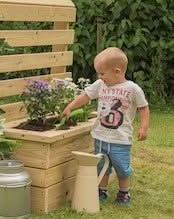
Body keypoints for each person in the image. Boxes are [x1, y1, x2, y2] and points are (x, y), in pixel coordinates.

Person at [62, 47, 150, 205]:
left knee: (122, 168)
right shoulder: (100, 84)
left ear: (117, 71)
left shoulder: (132, 89)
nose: (99, 77)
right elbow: (86, 96)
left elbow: (143, 107)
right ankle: (101, 190)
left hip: (121, 139)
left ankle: (124, 193)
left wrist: (143, 127)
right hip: (100, 136)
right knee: (102, 166)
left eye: (102, 73)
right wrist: (71, 106)